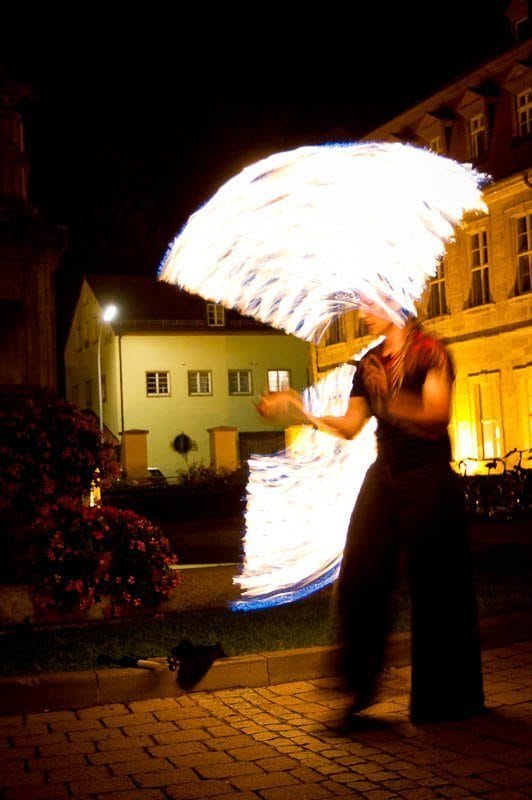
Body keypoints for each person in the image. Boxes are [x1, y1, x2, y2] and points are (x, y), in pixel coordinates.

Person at [257, 299, 485, 726]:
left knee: (436, 588)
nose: (361, 312)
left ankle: (447, 700)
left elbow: (437, 415)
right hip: (387, 473)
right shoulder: (370, 363)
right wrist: (299, 407)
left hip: (429, 476)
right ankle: (358, 687)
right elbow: (349, 425)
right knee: (361, 571)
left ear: (395, 299)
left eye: (369, 302)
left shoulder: (432, 352)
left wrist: (389, 397)